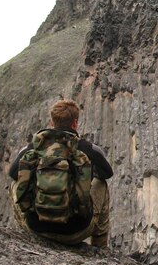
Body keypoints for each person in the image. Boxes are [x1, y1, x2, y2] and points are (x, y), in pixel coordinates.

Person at [8, 100, 113, 248]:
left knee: (14, 183)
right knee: (101, 184)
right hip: (76, 232)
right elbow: (107, 174)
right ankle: (99, 247)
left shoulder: (33, 147)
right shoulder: (88, 149)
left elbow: (13, 174)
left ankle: (26, 238)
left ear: (52, 122)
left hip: (37, 228)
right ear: (75, 123)